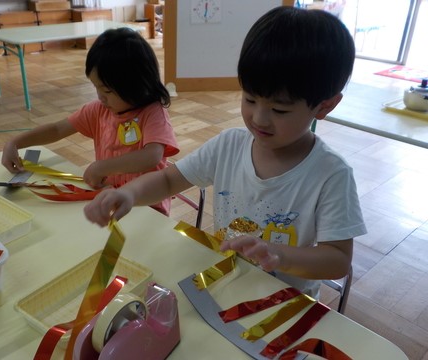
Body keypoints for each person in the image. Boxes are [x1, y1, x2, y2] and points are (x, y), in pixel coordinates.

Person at [83, 6, 367, 299]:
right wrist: (129, 193)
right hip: (225, 283)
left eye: (279, 109)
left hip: (283, 304)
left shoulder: (331, 175)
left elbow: (337, 260)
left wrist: (280, 255)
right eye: (249, 99)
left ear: (324, 106)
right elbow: (168, 181)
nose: (259, 118)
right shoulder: (229, 145)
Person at [1, 27, 179, 216]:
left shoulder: (153, 113)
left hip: (148, 207)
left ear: (136, 85)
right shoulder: (99, 110)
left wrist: (101, 167)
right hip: (108, 199)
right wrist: (15, 142)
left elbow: (151, 156)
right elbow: (57, 129)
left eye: (107, 91)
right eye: (96, 88)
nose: (101, 97)